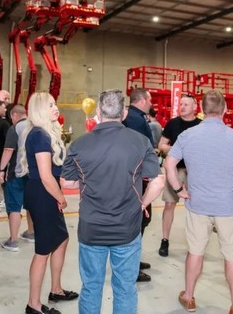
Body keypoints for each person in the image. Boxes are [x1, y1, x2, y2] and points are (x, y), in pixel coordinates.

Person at [61, 89, 165, 314]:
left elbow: (67, 182)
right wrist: (142, 204)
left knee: (91, 287)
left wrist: (90, 180)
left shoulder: (79, 144)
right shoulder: (140, 141)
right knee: (125, 288)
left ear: (98, 112)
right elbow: (157, 182)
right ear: (124, 113)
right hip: (127, 228)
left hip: (91, 229)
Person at [164, 90, 233, 314]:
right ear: (225, 109)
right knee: (232, 255)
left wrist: (178, 189)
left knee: (195, 251)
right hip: (228, 206)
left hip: (198, 204)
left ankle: (189, 297)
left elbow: (169, 164)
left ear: (202, 110)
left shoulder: (188, 135)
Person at [19, 92, 78, 314]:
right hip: (43, 194)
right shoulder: (40, 135)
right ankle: (33, 304)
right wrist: (61, 197)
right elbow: (45, 176)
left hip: (43, 192)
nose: (56, 108)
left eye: (55, 103)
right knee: (43, 250)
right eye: (51, 105)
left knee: (61, 239)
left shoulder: (42, 133)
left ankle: (56, 289)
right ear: (40, 110)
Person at [157, 93, 201, 257]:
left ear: (194, 107)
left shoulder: (200, 125)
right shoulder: (172, 123)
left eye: (186, 104)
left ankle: (195, 242)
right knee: (169, 204)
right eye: (181, 104)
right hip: (174, 170)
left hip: (194, 172)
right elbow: (161, 145)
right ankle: (165, 240)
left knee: (195, 207)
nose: (182, 107)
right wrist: (176, 149)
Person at [122, 87, 154, 282]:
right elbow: (138, 149)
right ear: (142, 100)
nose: (151, 103)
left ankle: (133, 259)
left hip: (137, 176)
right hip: (137, 178)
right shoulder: (135, 120)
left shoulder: (135, 117)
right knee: (138, 219)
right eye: (149, 100)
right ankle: (130, 265)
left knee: (142, 219)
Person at [0, 104, 35, 252]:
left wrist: (1, 169)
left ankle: (13, 241)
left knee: (14, 207)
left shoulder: (15, 128)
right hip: (33, 174)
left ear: (14, 115)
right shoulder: (35, 127)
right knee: (30, 204)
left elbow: (8, 150)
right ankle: (31, 232)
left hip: (16, 173)